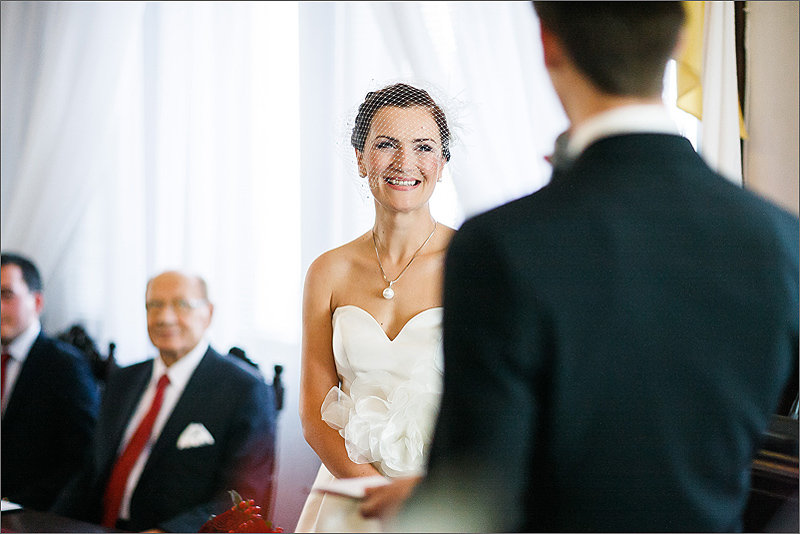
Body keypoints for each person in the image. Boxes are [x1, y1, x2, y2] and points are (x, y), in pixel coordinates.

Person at [398, 2, 800, 532]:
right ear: (679, 41)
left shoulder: (501, 246)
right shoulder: (781, 240)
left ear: (548, 42)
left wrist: (418, 505)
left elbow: (473, 495)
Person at [295, 82, 457, 532]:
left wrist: (419, 501)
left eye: (423, 147)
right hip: (349, 496)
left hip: (439, 499)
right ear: (361, 157)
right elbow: (313, 414)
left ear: (442, 163)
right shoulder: (328, 271)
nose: (405, 163)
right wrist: (371, 493)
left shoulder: (472, 265)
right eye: (386, 145)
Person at [53, 270, 277, 532]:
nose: (164, 317)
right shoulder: (123, 379)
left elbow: (244, 496)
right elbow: (91, 471)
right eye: (154, 305)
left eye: (181, 304)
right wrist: (49, 523)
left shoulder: (244, 389)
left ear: (209, 313)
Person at [0, 252, 100, 511]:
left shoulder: (65, 366)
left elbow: (82, 460)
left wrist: (16, 504)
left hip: (32, 513)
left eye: (6, 295)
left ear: (37, 301)